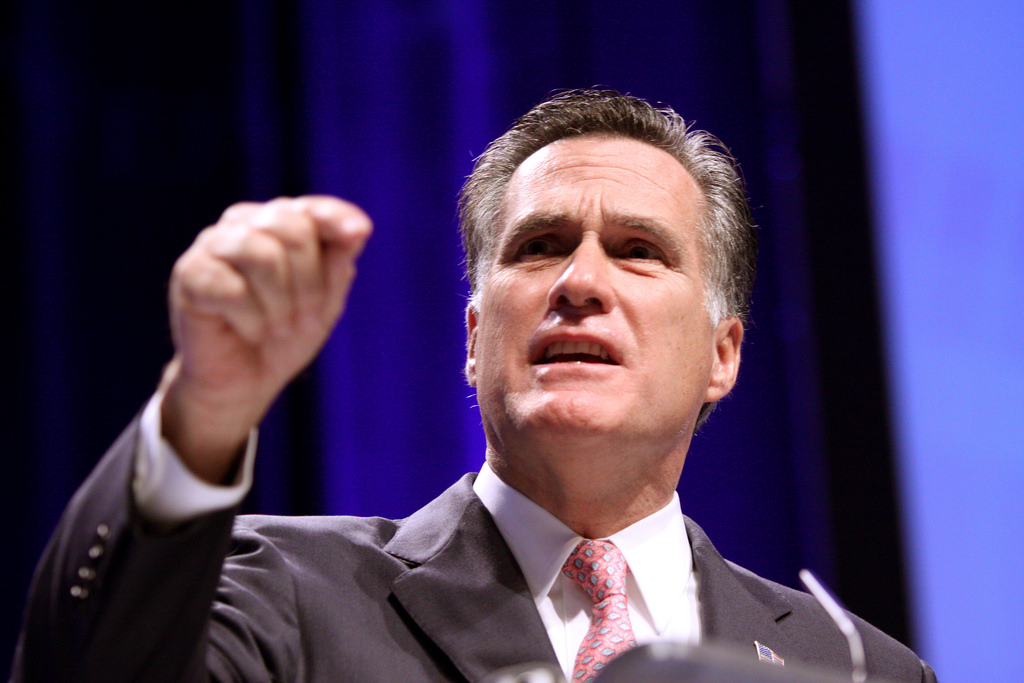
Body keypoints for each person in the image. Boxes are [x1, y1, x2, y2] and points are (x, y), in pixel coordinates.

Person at [11, 90, 935, 682]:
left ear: (722, 355)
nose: (579, 280)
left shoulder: (851, 665)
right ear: (474, 336)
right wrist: (203, 410)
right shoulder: (285, 594)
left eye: (638, 251)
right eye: (538, 246)